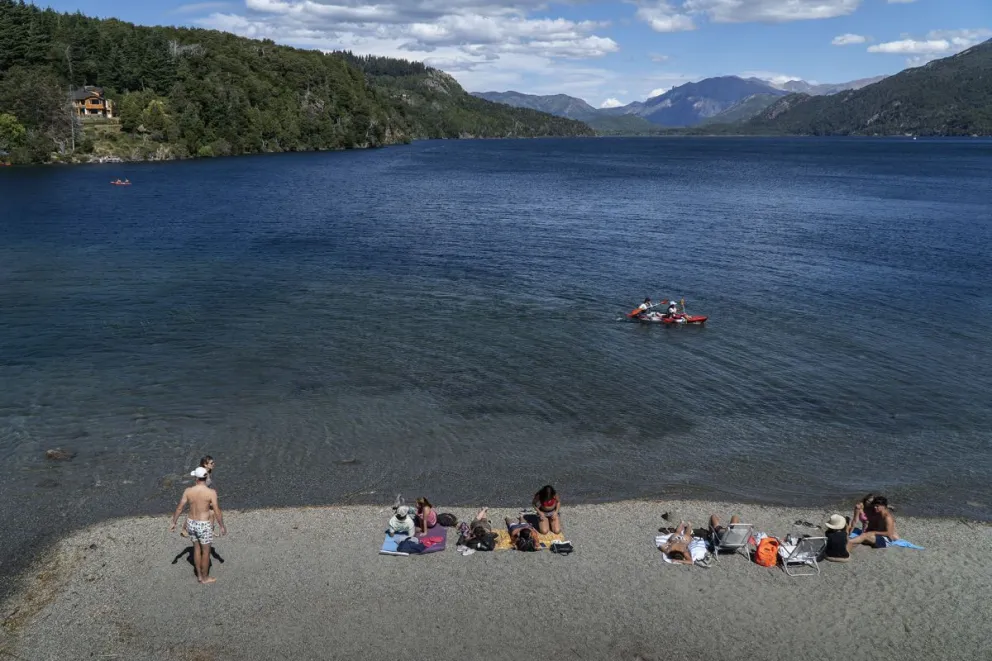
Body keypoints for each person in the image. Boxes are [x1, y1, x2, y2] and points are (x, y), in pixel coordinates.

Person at [169, 467, 227, 584]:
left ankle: (199, 576)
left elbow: (180, 507)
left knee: (196, 548)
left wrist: (174, 522)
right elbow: (216, 511)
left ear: (196, 478)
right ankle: (205, 578)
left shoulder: (188, 491)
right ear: (205, 477)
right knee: (206, 552)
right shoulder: (211, 492)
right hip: (204, 524)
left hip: (191, 523)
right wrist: (221, 526)